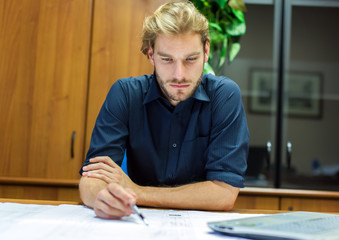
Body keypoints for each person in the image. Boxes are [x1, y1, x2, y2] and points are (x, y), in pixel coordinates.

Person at [79, 1, 249, 220]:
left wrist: (138, 192)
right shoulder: (125, 93)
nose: (179, 74)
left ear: (206, 51)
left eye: (191, 59)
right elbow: (91, 179)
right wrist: (100, 197)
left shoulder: (224, 96)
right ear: (151, 54)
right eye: (167, 59)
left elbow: (223, 194)